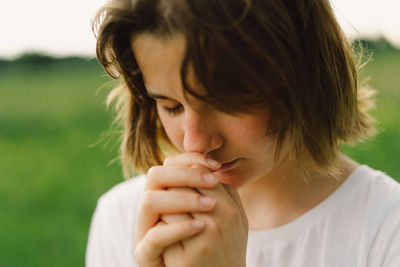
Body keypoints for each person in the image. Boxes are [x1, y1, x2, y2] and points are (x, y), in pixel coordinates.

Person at [86, 0, 400, 266]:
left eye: (227, 102)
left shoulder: (386, 227)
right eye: (171, 106)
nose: (194, 142)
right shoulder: (122, 219)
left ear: (302, 74)